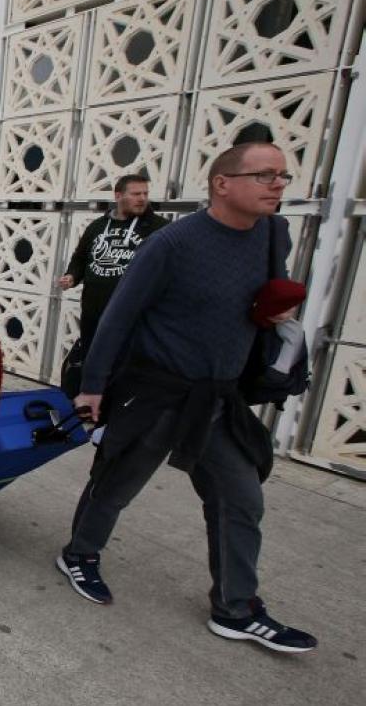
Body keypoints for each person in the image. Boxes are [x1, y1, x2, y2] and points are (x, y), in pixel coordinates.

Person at [60, 142, 317, 653]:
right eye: (265, 175)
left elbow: (261, 297)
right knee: (117, 484)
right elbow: (119, 317)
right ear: (222, 183)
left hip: (218, 398)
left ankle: (236, 608)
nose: (278, 185)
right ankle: (80, 554)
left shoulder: (271, 235)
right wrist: (92, 386)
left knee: (241, 497)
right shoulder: (172, 244)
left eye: (283, 176)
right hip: (156, 390)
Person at [58, 175, 168, 354]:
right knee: (91, 359)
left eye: (145, 193)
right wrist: (72, 276)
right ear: (118, 196)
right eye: (135, 194)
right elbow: (80, 257)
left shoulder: (159, 228)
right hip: (93, 314)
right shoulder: (97, 226)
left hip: (133, 319)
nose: (142, 198)